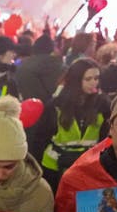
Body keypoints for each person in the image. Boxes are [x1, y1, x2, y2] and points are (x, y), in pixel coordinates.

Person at [31, 58, 110, 194]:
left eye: (96, 78)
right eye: (88, 79)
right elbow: (40, 139)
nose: (94, 83)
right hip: (55, 168)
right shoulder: (56, 105)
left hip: (88, 167)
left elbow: (106, 138)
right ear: (76, 80)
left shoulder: (103, 104)